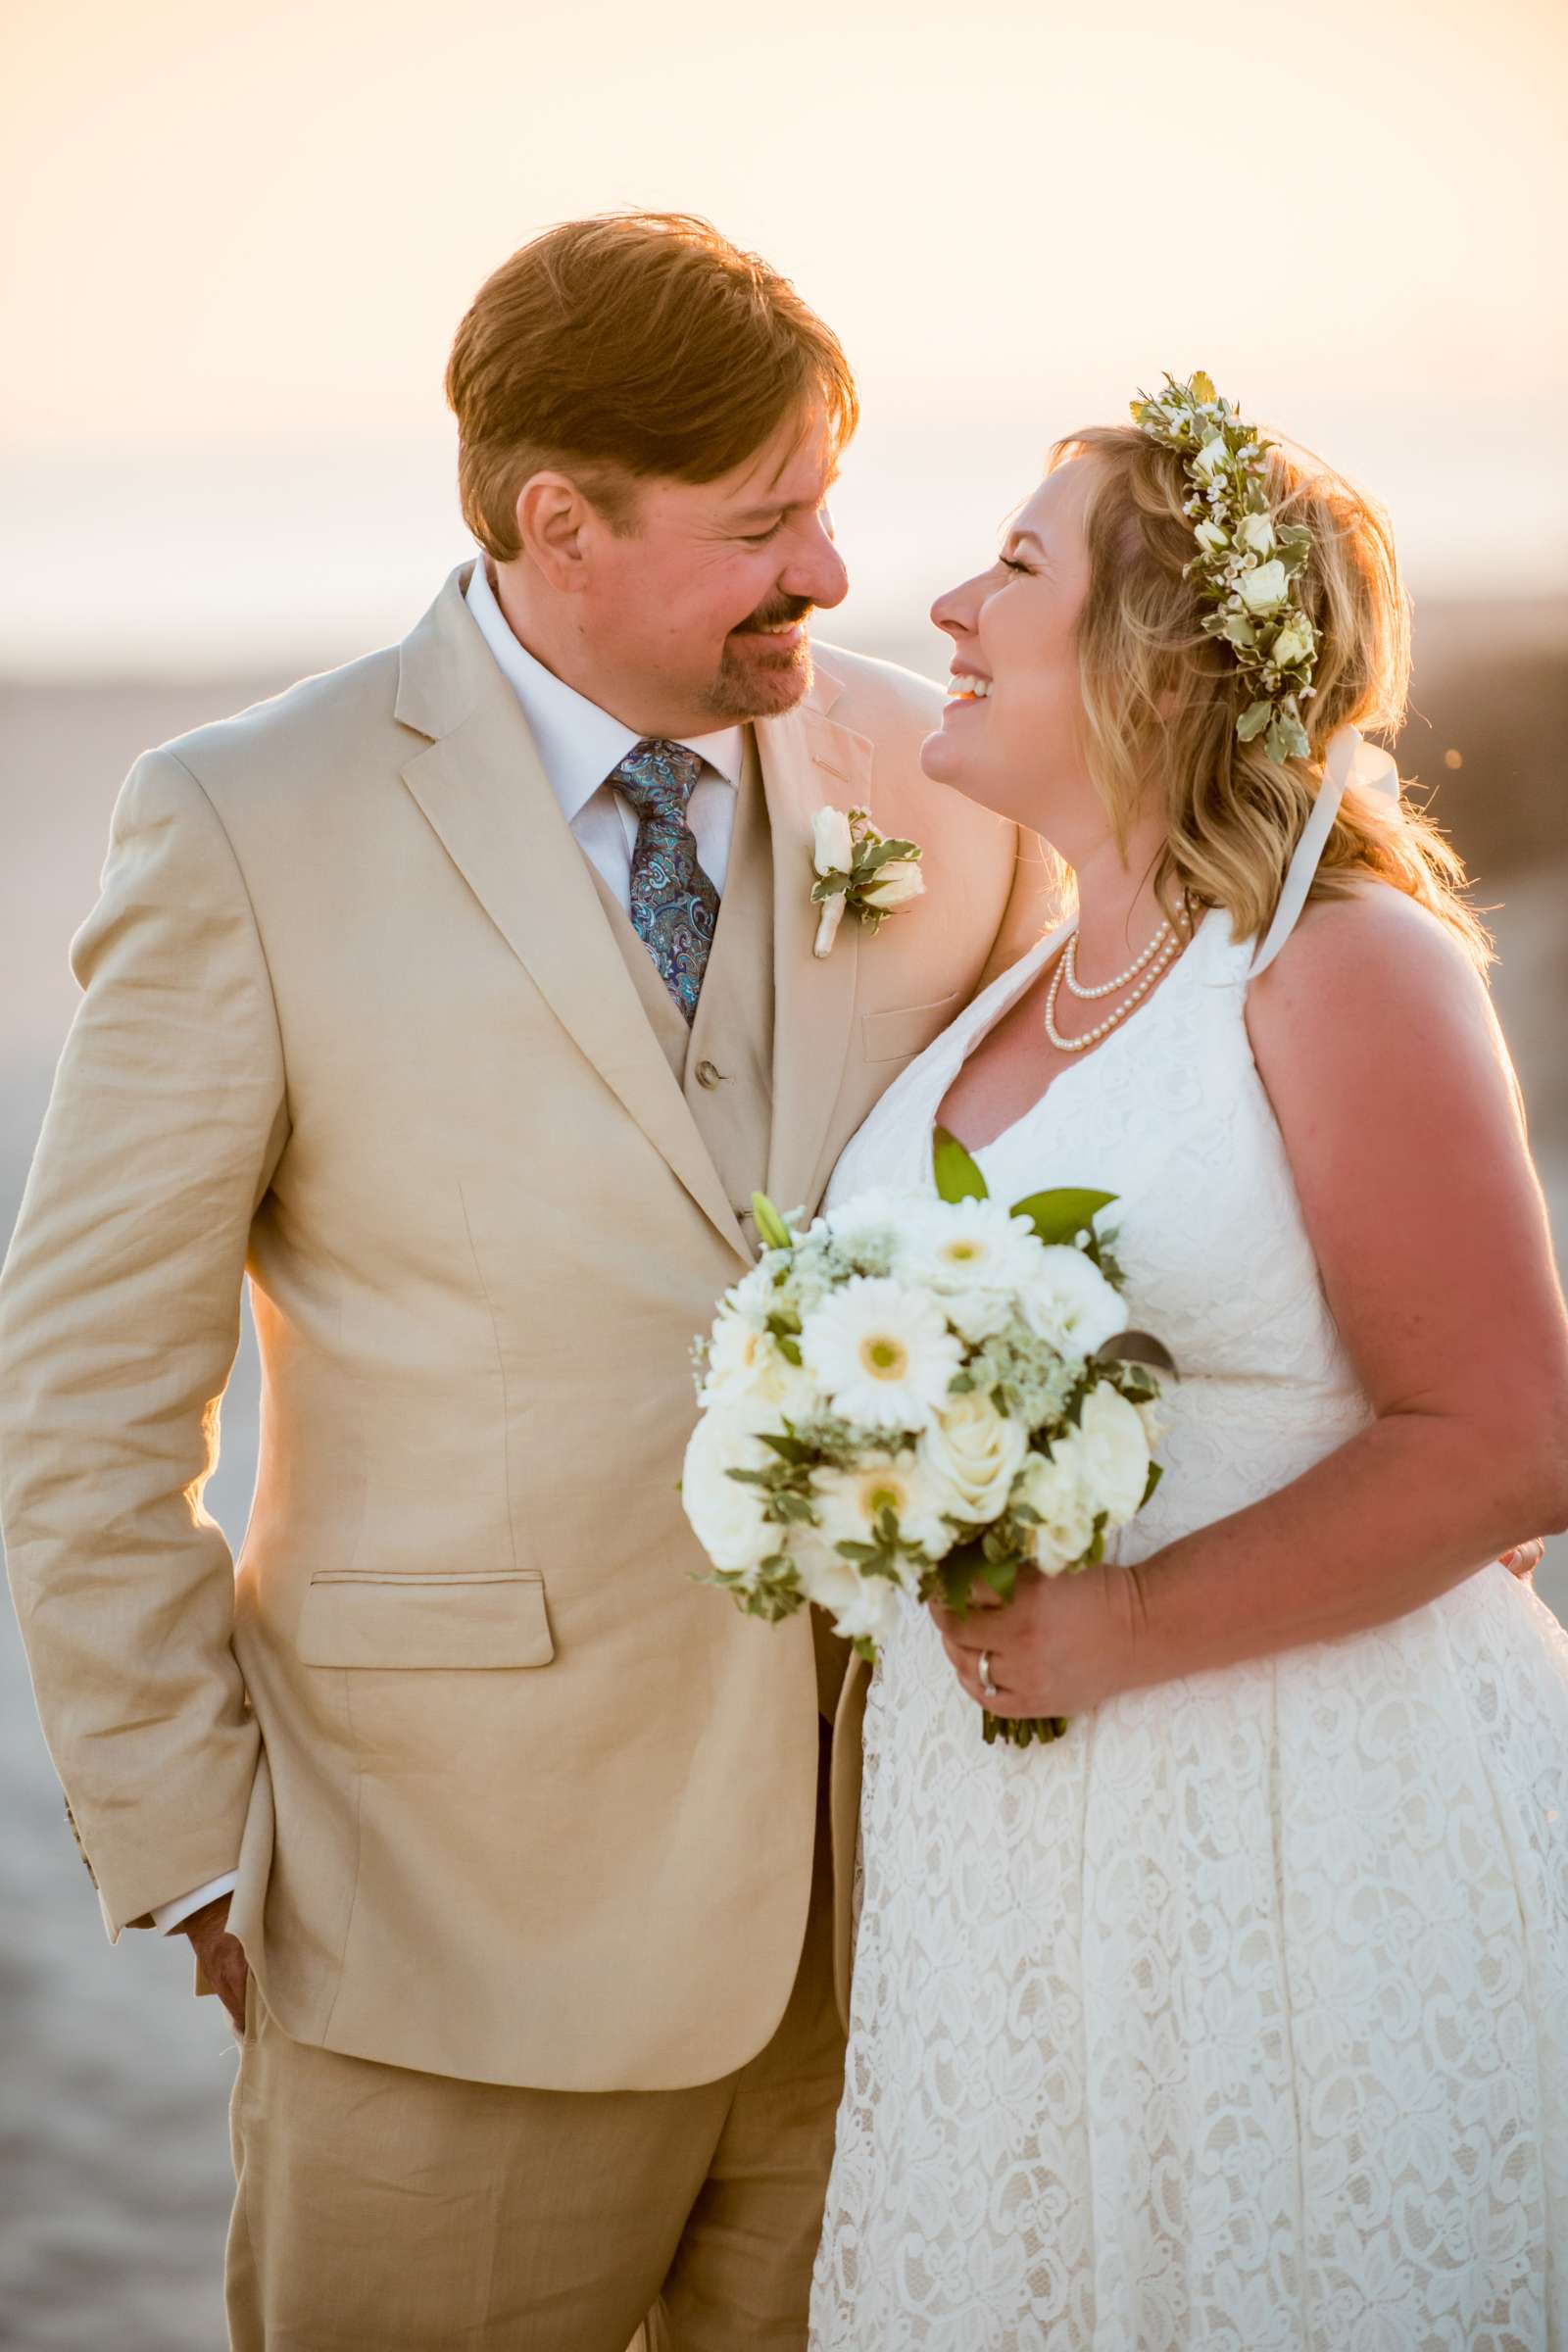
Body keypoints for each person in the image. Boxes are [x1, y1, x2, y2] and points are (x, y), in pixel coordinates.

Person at [0, 213, 1052, 2350]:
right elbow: (92, 1391)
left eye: (832, 498)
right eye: (766, 523)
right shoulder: (244, 821)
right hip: (437, 1935)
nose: (835, 573)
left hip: (913, 1936)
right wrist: (190, 1844)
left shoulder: (945, 792)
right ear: (554, 520)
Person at [808, 380, 1568, 2346]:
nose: (948, 612)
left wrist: (1128, 1623)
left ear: (1154, 664)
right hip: (1006, 1837)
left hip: (1303, 1806)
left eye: (1013, 567)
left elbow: (1501, 1437)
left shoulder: (1338, 961)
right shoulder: (1006, 978)